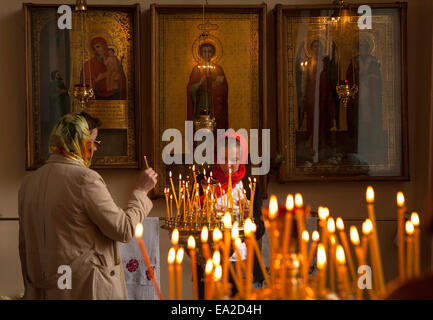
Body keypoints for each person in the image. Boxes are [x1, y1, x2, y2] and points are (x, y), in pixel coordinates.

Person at [18, 112, 157, 299]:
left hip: (44, 291)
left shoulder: (29, 182)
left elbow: (24, 245)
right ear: (80, 141)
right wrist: (141, 191)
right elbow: (124, 229)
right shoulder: (84, 179)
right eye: (94, 141)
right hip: (85, 288)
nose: (95, 149)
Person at [196, 132, 266, 298]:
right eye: (223, 158)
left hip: (244, 263)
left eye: (234, 159)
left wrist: (249, 220)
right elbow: (194, 223)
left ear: (241, 159)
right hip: (213, 261)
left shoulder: (250, 186)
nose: (228, 164)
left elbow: (260, 230)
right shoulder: (204, 182)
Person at [187, 42, 228, 130]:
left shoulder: (218, 69)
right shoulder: (196, 69)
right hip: (201, 102)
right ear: (201, 54)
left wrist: (214, 85)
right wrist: (200, 83)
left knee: (214, 127)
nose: (207, 54)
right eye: (204, 52)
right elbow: (191, 88)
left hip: (214, 103)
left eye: (209, 52)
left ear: (212, 53)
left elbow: (224, 88)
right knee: (201, 128)